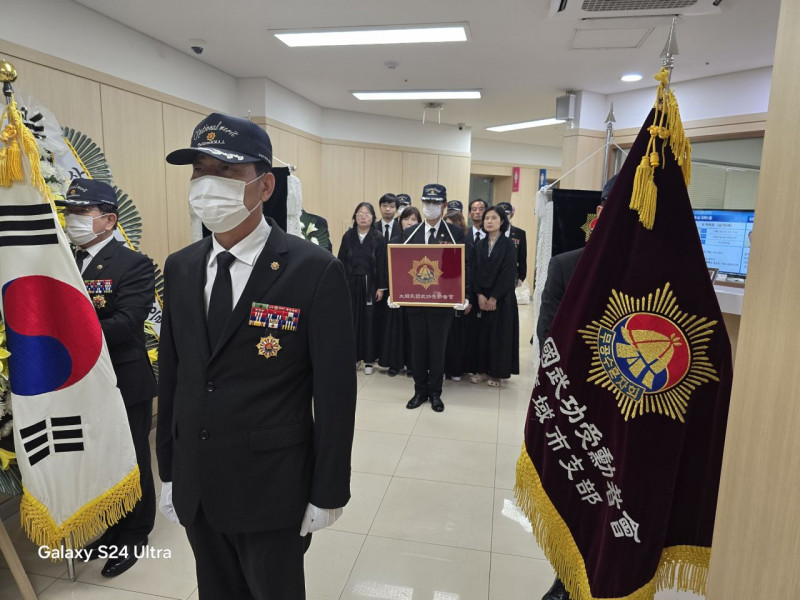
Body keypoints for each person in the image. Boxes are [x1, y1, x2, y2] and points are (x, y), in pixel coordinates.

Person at [156, 112, 357, 600]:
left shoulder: (314, 271)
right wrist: (169, 470)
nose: (209, 184)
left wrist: (329, 488)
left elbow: (335, 394)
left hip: (272, 487)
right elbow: (175, 376)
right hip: (198, 482)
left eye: (226, 171)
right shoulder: (181, 267)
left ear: (265, 186)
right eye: (200, 171)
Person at [57, 178, 157, 578]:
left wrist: (68, 336)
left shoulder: (132, 264)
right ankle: (112, 528)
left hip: (122, 380)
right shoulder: (64, 259)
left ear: (110, 219)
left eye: (82, 212)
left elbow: (127, 322)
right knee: (100, 458)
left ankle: (134, 535)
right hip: (80, 383)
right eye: (69, 212)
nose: (73, 219)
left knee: (130, 459)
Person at [535, 175, 615, 600]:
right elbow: (548, 334)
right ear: (600, 213)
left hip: (632, 412)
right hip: (580, 405)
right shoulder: (567, 265)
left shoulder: (657, 275)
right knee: (579, 495)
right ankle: (566, 577)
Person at [401, 184, 469, 413]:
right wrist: (396, 292)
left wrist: (463, 294)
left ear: (444, 205)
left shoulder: (455, 233)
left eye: (435, 202)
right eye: (426, 202)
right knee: (418, 348)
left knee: (438, 349)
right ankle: (419, 390)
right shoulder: (410, 233)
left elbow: (464, 265)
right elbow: (401, 264)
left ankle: (435, 392)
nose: (430, 206)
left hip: (442, 301)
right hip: (416, 301)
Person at [470, 206, 519, 387]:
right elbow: (474, 271)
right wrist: (480, 294)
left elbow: (508, 273)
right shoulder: (479, 245)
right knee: (482, 335)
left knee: (500, 336)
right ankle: (482, 371)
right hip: (482, 298)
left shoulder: (508, 245)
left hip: (502, 298)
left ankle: (497, 374)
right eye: (486, 218)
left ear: (502, 221)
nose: (489, 221)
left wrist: (494, 297)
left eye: (494, 218)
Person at [338, 202, 387, 375]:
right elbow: (341, 261)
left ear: (373, 217)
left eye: (367, 214)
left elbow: (382, 264)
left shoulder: (378, 237)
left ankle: (369, 360)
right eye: (360, 213)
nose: (363, 217)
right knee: (352, 320)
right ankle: (353, 357)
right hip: (351, 283)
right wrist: (341, 284)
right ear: (355, 216)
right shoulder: (348, 236)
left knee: (369, 321)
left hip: (369, 285)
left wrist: (381, 287)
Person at [379, 206, 421, 377]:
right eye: (406, 218)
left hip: (417, 292)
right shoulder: (393, 241)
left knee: (413, 330)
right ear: (400, 221)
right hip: (396, 291)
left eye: (413, 219)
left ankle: (412, 364)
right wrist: (386, 288)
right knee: (395, 328)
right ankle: (394, 363)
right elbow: (384, 266)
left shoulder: (422, 241)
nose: (409, 222)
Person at [443, 207, 470, 382]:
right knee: (442, 335)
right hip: (441, 295)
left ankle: (455, 370)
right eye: (446, 225)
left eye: (452, 225)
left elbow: (470, 271)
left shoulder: (467, 245)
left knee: (456, 335)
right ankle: (442, 369)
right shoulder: (438, 243)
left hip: (459, 295)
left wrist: (467, 296)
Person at [496, 201, 528, 285]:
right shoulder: (489, 232)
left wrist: (521, 277)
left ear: (511, 214)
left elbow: (522, 257)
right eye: (500, 214)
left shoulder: (520, 233)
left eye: (506, 214)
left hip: (511, 276)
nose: (503, 217)